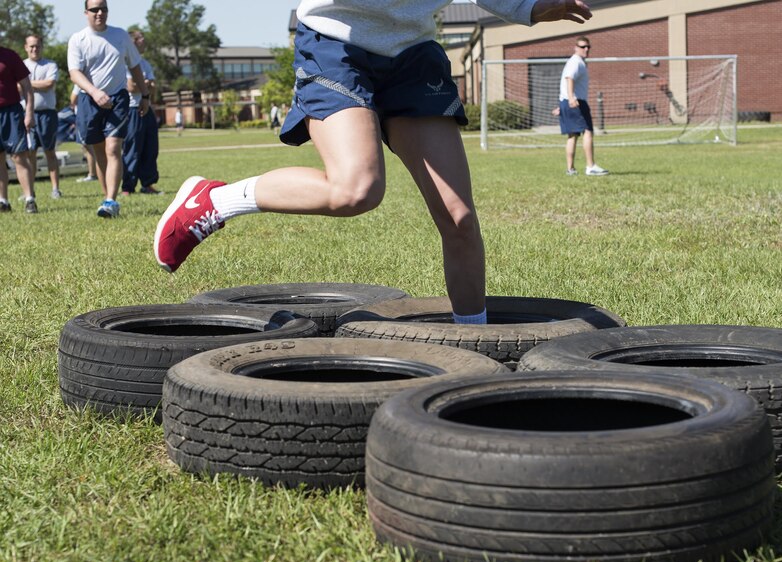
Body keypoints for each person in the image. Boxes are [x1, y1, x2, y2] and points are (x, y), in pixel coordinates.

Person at [154, 0, 592, 325]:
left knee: (459, 218)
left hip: (412, 53)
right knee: (356, 189)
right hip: (335, 41)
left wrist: (533, 6)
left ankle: (473, 340)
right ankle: (216, 200)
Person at [68, 0, 151, 218]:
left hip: (118, 100)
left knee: (113, 149)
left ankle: (111, 200)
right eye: (94, 9)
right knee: (99, 153)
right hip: (89, 100)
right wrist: (94, 92)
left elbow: (134, 66)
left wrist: (145, 95)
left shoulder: (121, 36)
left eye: (103, 8)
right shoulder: (78, 39)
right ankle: (107, 198)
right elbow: (74, 73)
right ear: (86, 12)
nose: (99, 13)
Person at [559, 36, 608, 176]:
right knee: (587, 132)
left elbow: (565, 80)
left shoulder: (575, 62)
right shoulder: (576, 62)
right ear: (576, 48)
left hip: (566, 101)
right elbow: (569, 78)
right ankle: (590, 166)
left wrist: (563, 102)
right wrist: (571, 98)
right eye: (582, 47)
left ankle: (570, 169)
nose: (586, 49)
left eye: (588, 47)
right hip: (576, 101)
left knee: (572, 136)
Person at [121, 29, 161, 196]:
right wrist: (144, 84)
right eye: (141, 40)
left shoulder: (145, 64)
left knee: (151, 148)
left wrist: (143, 85)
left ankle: (148, 184)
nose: (144, 42)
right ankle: (128, 187)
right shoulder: (124, 63)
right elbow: (130, 86)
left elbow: (153, 86)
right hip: (132, 109)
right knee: (132, 148)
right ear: (133, 43)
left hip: (147, 108)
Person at [22, 35, 62, 199]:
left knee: (50, 151)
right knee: (30, 153)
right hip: (26, 115)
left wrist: (27, 84)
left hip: (47, 115)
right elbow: (17, 87)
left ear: (42, 47)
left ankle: (55, 189)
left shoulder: (50, 65)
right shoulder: (22, 65)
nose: (34, 49)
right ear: (26, 47)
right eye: (31, 46)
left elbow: (49, 84)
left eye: (37, 46)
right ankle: (30, 191)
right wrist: (32, 85)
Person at [0, 44, 37, 213]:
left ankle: (29, 199)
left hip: (11, 112)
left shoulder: (10, 56)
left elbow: (27, 87)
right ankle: (3, 201)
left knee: (19, 157)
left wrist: (29, 112)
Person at [70, 85, 101, 185]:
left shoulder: (80, 83)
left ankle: (92, 174)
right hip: (91, 114)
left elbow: (73, 99)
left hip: (85, 116)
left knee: (88, 146)